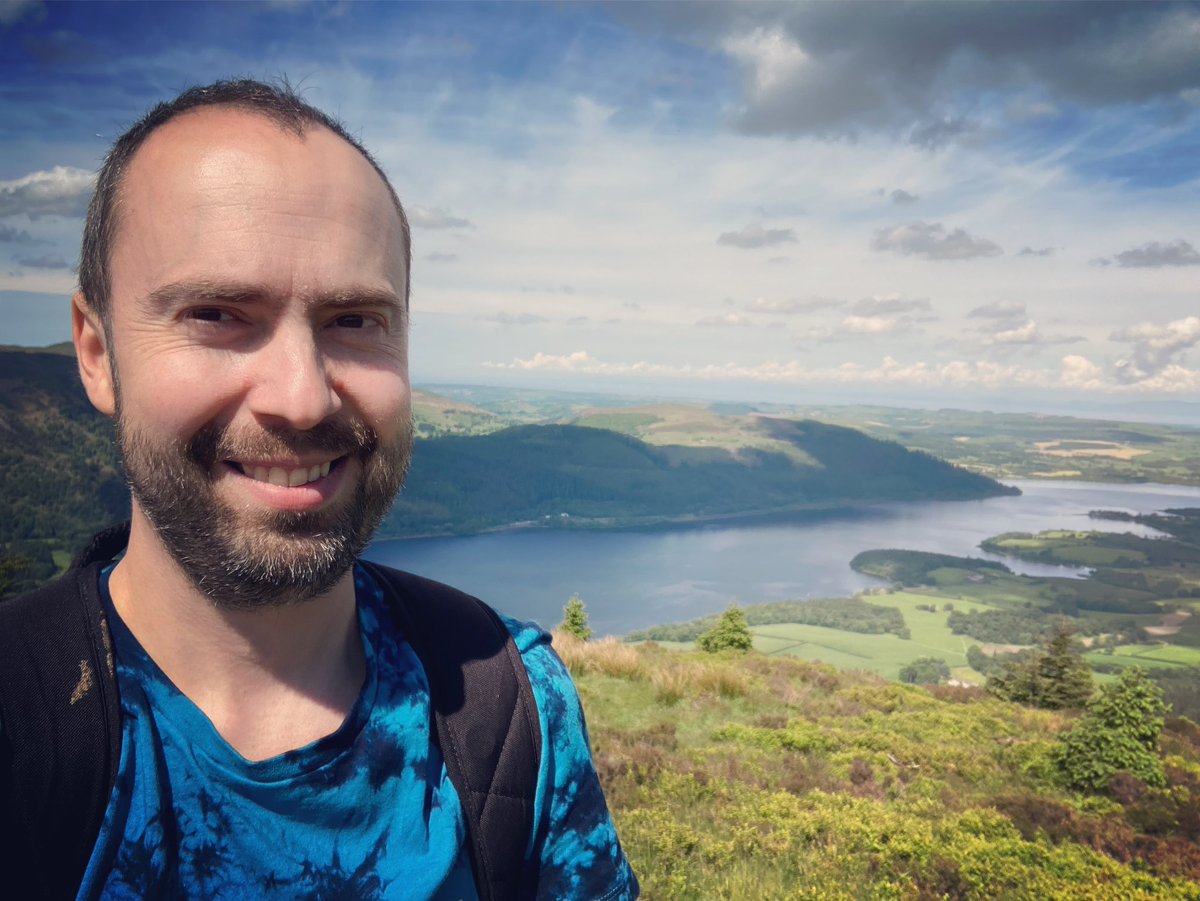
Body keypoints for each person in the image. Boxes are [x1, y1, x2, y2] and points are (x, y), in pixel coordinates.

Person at [0, 80, 638, 900]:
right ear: (96, 352)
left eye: (355, 320)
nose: (301, 397)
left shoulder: (512, 702)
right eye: (217, 312)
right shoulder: (24, 725)